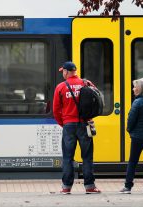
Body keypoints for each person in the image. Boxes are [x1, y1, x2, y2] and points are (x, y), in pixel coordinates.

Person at [52, 61, 101, 195]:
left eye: (63, 71)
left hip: (69, 126)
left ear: (67, 72)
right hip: (84, 125)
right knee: (87, 156)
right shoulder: (86, 83)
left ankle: (66, 187)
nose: (63, 73)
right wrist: (90, 117)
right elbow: (97, 101)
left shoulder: (61, 87)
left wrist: (64, 123)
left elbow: (55, 110)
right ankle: (90, 186)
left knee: (68, 157)